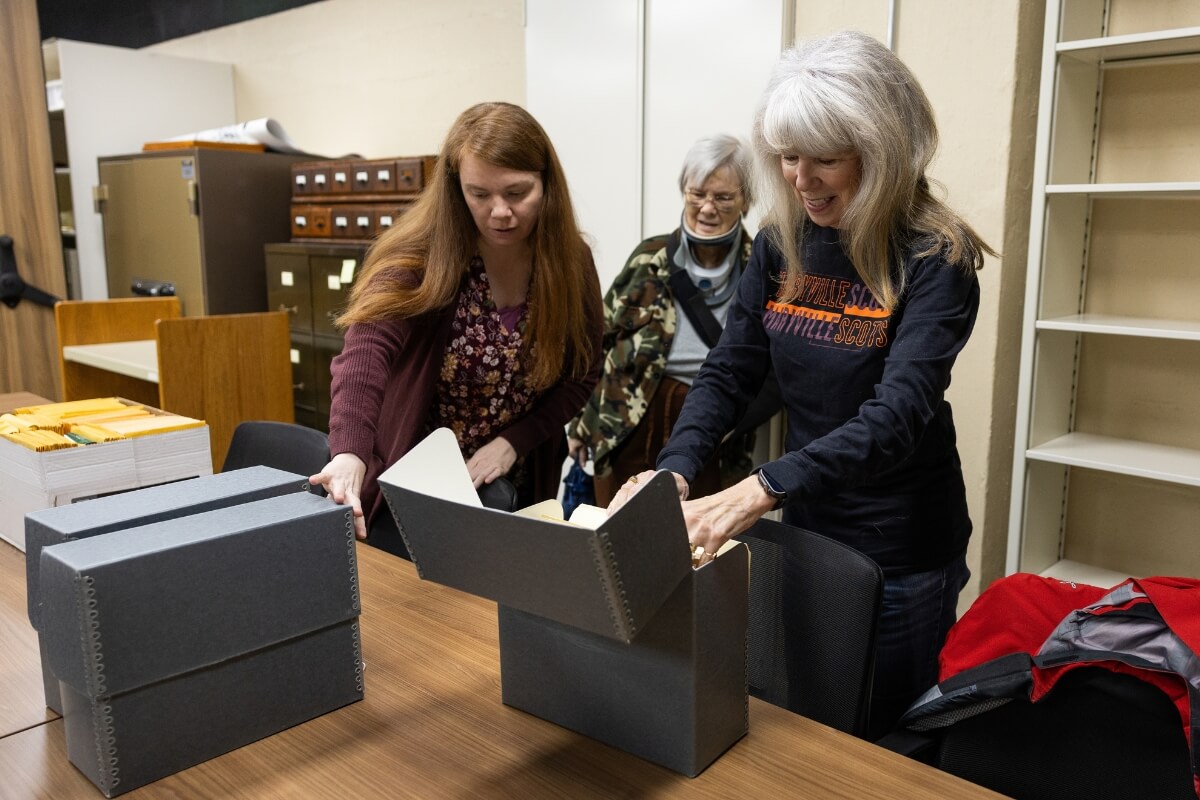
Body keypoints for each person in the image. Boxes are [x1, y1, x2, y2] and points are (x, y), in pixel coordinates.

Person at [610, 31, 996, 739]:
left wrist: (761, 487)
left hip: (901, 542)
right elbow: (732, 367)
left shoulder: (936, 257)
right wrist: (677, 470)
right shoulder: (785, 239)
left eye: (824, 159)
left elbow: (897, 414)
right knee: (812, 722)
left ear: (882, 150)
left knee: (887, 742)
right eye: (787, 156)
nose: (800, 178)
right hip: (812, 521)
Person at [310, 101, 603, 557]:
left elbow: (582, 374)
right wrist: (350, 452)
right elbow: (364, 354)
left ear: (547, 184)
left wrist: (514, 441)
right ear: (455, 188)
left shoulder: (571, 262)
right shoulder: (419, 256)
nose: (500, 212)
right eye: (480, 194)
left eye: (517, 192)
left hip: (518, 482)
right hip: (415, 487)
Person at [566, 134, 779, 505]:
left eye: (723, 197)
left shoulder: (761, 268)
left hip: (710, 437)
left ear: (745, 200)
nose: (707, 208)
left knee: (698, 550)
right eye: (697, 194)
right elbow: (598, 341)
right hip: (627, 428)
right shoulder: (649, 257)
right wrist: (583, 425)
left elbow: (775, 367)